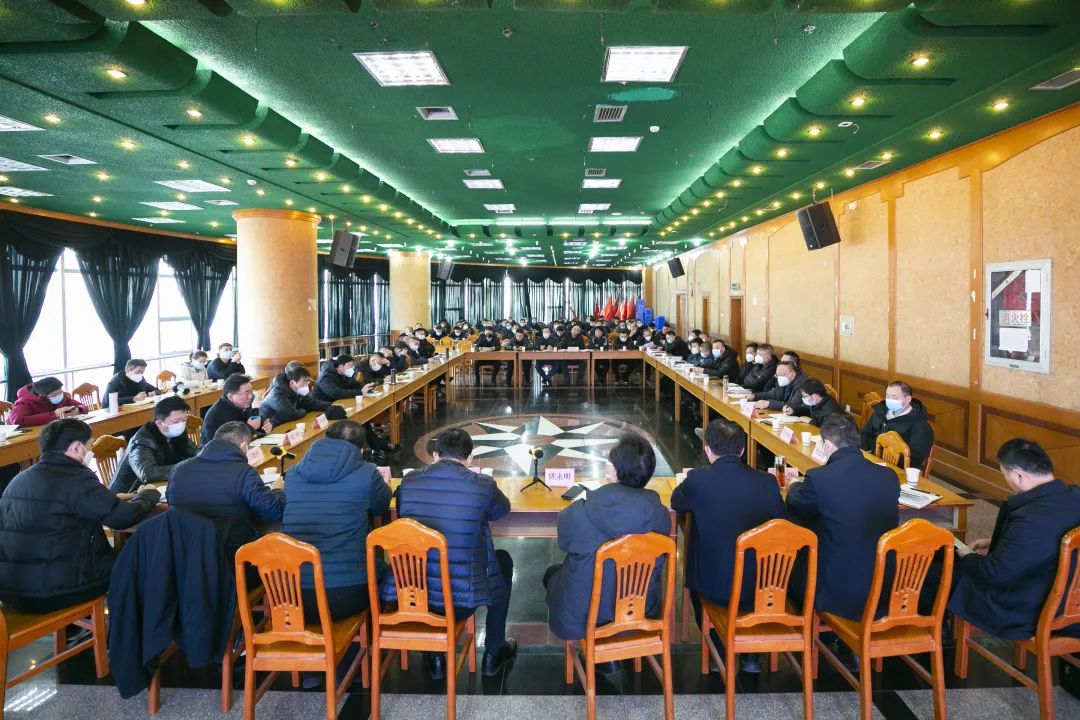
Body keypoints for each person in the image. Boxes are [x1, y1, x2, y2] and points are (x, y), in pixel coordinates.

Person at [387, 428, 517, 678]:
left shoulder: (410, 481)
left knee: (427, 560)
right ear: (470, 458)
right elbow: (502, 510)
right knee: (502, 561)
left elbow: (404, 515)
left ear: (435, 455)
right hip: (462, 601)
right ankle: (493, 652)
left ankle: (435, 658)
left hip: (413, 597)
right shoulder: (482, 485)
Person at [0, 419, 160, 612]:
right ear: (76, 447)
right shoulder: (75, 477)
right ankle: (137, 622)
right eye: (89, 446)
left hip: (14, 591)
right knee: (148, 556)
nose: (90, 452)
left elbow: (62, 507)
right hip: (60, 590)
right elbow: (120, 518)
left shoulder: (19, 480)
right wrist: (148, 495)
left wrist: (111, 499)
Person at [671, 418, 784, 673]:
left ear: (707, 450)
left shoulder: (699, 480)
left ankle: (718, 649)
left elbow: (677, 502)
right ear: (742, 450)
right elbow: (782, 520)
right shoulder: (767, 482)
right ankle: (752, 657)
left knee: (697, 574)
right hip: (762, 586)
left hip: (715, 587)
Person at [544, 433, 671, 651]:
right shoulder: (660, 515)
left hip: (586, 616)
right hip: (640, 613)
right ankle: (613, 655)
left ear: (612, 471)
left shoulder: (583, 510)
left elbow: (564, 542)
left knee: (552, 574)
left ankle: (600, 654)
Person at [948, 439, 1080, 639]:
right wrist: (994, 541)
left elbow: (995, 574)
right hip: (1070, 602)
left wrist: (967, 556)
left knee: (947, 573)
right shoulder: (1074, 496)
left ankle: (936, 639)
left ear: (1018, 474)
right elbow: (1046, 541)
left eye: (1005, 474)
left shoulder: (1030, 516)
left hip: (1030, 608)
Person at [786, 416, 899, 620]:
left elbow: (796, 505)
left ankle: (814, 628)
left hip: (838, 592)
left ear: (828, 446)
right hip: (884, 591)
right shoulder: (889, 476)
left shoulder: (819, 477)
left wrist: (794, 484)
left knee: (790, 564)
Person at [283, 420, 391, 623]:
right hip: (346, 595)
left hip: (291, 598)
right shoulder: (367, 473)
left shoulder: (293, 474)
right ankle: (376, 634)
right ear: (361, 449)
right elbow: (380, 508)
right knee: (387, 572)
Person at [166, 421, 285, 562]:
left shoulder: (178, 470)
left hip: (186, 556)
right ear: (244, 447)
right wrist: (278, 489)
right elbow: (273, 511)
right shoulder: (244, 472)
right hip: (232, 559)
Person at [312, 355, 399, 458]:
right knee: (358, 420)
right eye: (350, 366)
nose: (352, 368)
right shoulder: (325, 377)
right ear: (340, 366)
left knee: (362, 418)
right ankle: (376, 446)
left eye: (353, 365)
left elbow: (357, 385)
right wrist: (360, 392)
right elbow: (335, 393)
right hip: (323, 411)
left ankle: (377, 446)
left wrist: (369, 387)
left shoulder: (345, 374)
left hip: (340, 406)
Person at [109, 396, 197, 493]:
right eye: (176, 421)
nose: (181, 424)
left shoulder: (177, 434)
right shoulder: (142, 441)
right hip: (128, 495)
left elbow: (196, 452)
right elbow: (148, 474)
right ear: (159, 423)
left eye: (184, 420)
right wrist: (187, 467)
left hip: (161, 488)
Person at [859, 381, 936, 471]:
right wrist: (866, 456)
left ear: (907, 400)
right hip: (872, 460)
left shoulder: (920, 425)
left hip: (898, 470)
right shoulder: (881, 412)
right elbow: (865, 434)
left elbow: (915, 459)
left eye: (894, 397)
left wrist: (883, 461)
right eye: (887, 396)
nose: (889, 400)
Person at [259, 365, 345, 428]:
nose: (307, 384)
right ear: (292, 383)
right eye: (304, 381)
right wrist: (304, 410)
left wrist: (331, 405)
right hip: (271, 427)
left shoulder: (298, 389)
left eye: (308, 381)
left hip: (286, 423)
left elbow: (312, 403)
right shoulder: (277, 394)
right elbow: (290, 414)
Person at [201, 373, 272, 444]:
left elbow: (251, 420)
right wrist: (250, 428)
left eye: (251, 392)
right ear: (230, 396)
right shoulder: (216, 416)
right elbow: (223, 445)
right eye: (246, 393)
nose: (250, 396)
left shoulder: (243, 403)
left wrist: (264, 426)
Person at [8, 376, 87, 427]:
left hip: (51, 430)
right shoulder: (24, 402)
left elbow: (83, 406)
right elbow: (17, 421)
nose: (59, 395)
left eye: (60, 392)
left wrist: (78, 410)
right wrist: (55, 414)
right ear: (42, 395)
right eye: (54, 395)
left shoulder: (63, 396)